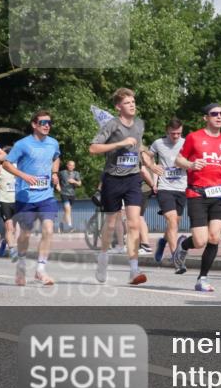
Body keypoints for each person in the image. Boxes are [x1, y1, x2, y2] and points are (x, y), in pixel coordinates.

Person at [89, 88, 158, 286]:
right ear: (118, 106)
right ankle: (103, 258)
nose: (132, 105)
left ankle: (134, 270)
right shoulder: (112, 124)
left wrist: (148, 161)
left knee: (134, 223)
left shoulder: (140, 124)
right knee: (111, 224)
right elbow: (93, 148)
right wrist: (119, 143)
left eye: (133, 101)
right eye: (127, 102)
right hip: (112, 179)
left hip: (133, 179)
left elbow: (137, 147)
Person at [171, 104, 221, 292]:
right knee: (200, 241)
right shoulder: (194, 137)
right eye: (214, 114)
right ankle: (183, 245)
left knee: (215, 237)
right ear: (205, 118)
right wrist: (191, 165)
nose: (219, 116)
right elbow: (178, 160)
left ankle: (202, 279)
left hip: (218, 194)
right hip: (197, 193)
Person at [0, 111, 61, 286]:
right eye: (43, 122)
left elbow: (56, 157)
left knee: (48, 229)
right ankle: (21, 267)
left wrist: (54, 172)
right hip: (25, 196)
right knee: (25, 234)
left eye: (49, 122)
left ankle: (40, 270)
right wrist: (23, 176)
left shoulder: (53, 143)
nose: (47, 125)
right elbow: (6, 163)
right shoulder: (22, 144)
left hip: (46, 196)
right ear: (34, 124)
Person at [149, 118, 186, 264]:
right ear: (167, 131)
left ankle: (163, 242)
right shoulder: (158, 143)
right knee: (171, 220)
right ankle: (175, 256)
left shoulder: (186, 143)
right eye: (172, 133)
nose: (175, 136)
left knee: (175, 223)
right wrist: (152, 166)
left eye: (178, 133)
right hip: (164, 187)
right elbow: (146, 156)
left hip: (182, 188)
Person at [57, 160, 81, 233]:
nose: (71, 166)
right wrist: (58, 185)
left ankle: (61, 224)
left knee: (67, 211)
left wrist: (74, 181)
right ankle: (70, 227)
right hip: (64, 193)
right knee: (68, 210)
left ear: (74, 167)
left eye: (73, 165)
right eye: (70, 165)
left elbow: (79, 183)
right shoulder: (62, 172)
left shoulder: (76, 173)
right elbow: (55, 177)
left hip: (72, 194)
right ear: (67, 165)